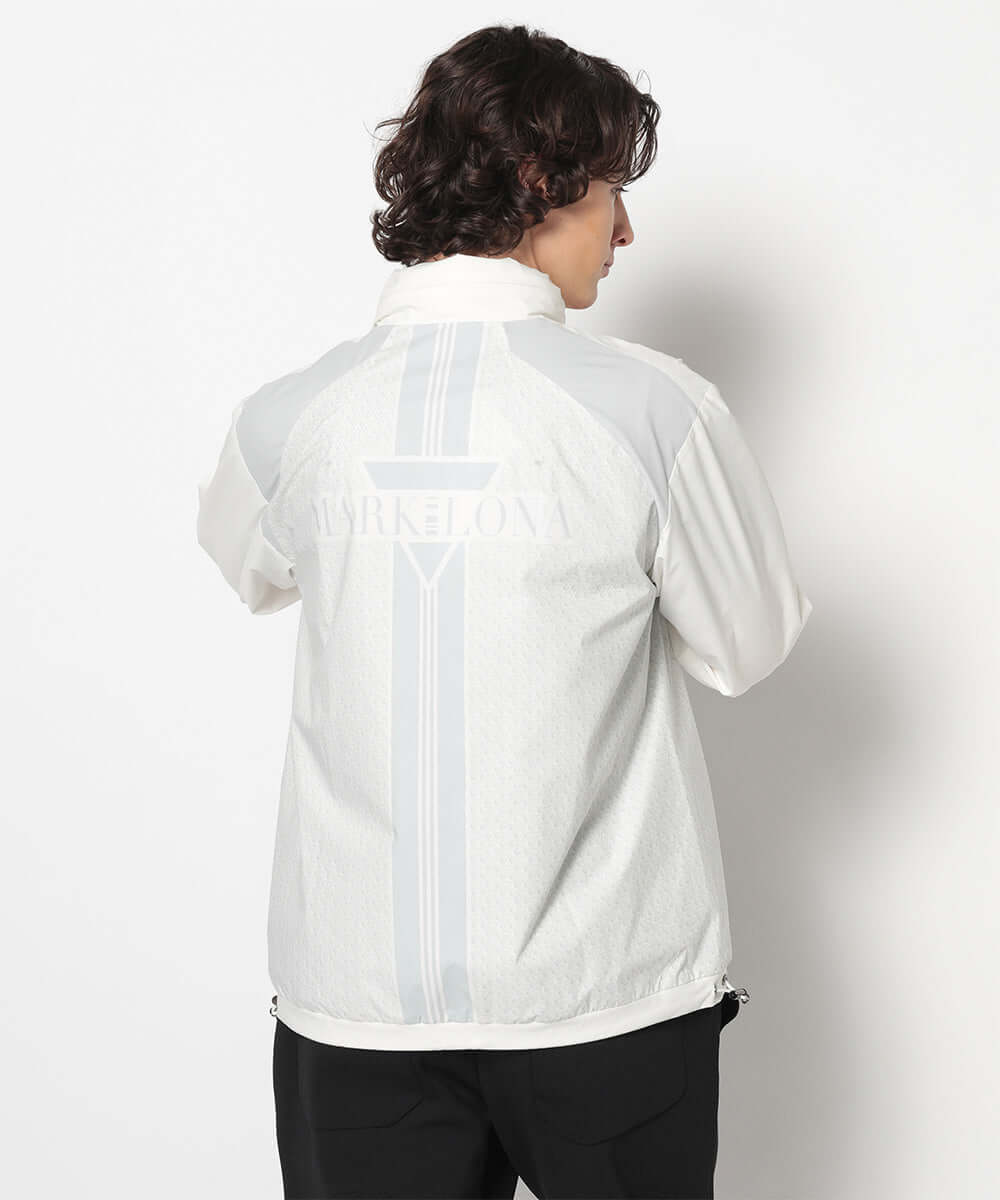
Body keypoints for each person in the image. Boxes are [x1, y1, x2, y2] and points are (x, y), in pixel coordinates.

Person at [196, 22, 812, 1200]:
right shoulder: (654, 412)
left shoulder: (289, 417)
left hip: (357, 1009)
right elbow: (747, 644)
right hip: (605, 1000)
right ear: (539, 179)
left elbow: (249, 568)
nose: (624, 232)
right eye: (610, 193)